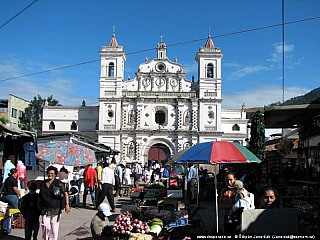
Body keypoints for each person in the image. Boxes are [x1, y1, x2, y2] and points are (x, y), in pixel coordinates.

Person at [39, 166, 70, 240]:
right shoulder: (43, 183)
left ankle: (53, 239)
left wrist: (67, 205)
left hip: (56, 206)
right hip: (45, 207)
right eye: (49, 173)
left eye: (52, 173)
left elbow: (65, 193)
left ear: (55, 174)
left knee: (54, 225)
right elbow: (40, 195)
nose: (50, 175)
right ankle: (46, 238)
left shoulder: (59, 183)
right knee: (45, 225)